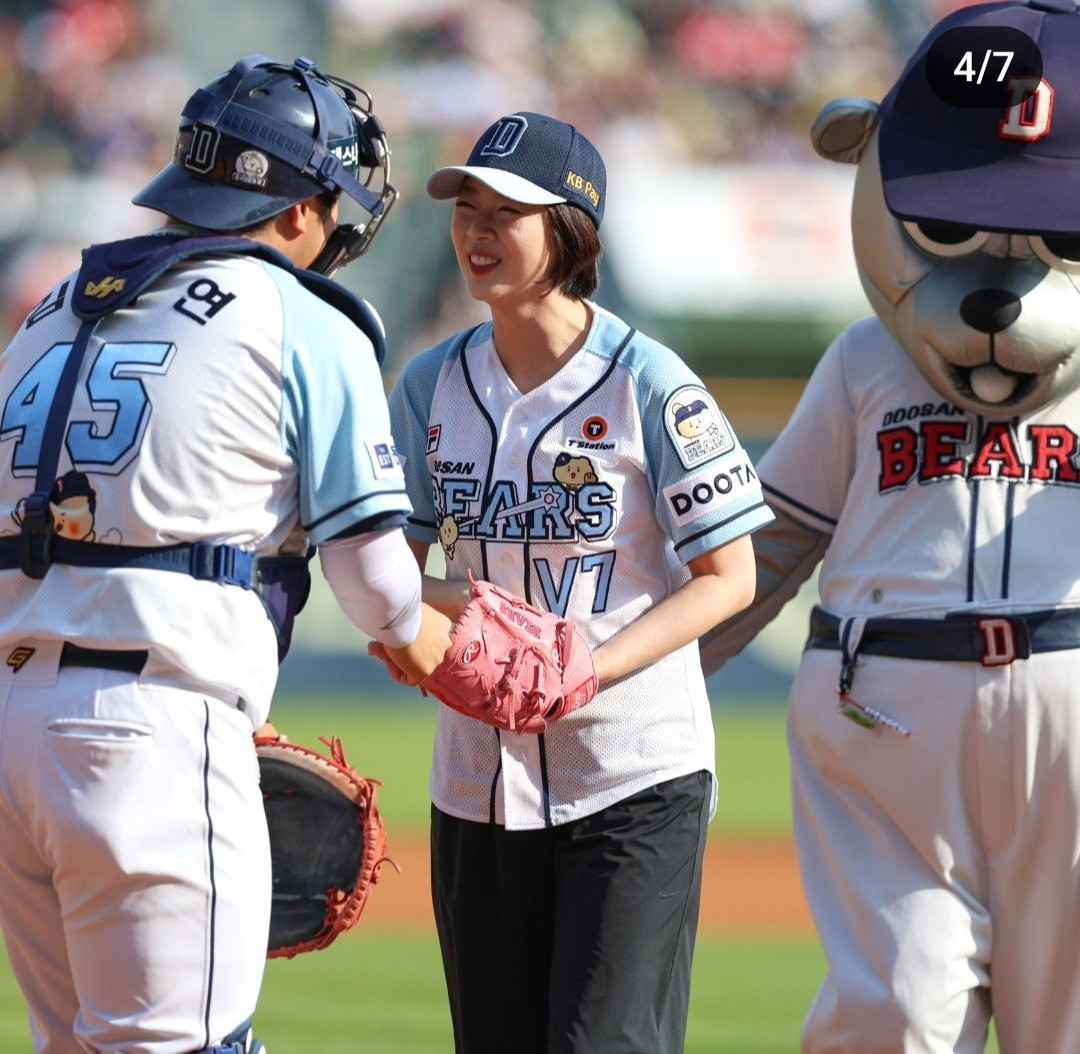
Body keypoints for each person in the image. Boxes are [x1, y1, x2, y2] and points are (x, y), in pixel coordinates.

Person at [0, 55, 450, 1054]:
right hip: (150, 731)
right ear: (301, 208)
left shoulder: (52, 309)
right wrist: (438, 644)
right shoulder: (302, 316)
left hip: (13, 728)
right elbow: (379, 589)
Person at [374, 111, 773, 1054]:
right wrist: (428, 624)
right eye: (466, 208)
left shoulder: (649, 382)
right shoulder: (429, 386)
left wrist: (585, 664)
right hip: (476, 780)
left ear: (569, 230)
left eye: (505, 212)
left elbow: (730, 576)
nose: (477, 231)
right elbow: (390, 567)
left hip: (633, 775)